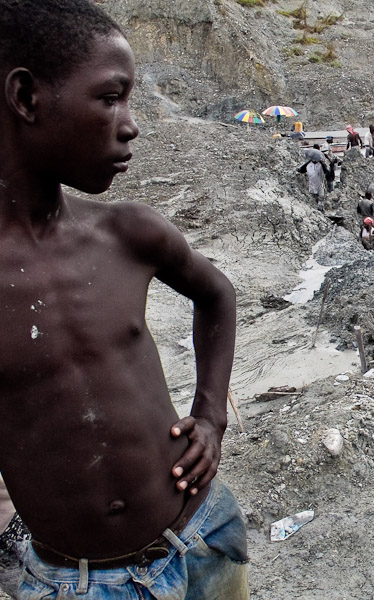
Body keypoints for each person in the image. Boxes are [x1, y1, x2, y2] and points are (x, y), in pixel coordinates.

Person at [0, 2, 249, 597]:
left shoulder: (128, 234)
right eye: (111, 97)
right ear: (28, 98)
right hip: (83, 583)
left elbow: (216, 293)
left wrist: (211, 418)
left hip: (204, 535)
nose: (131, 123)